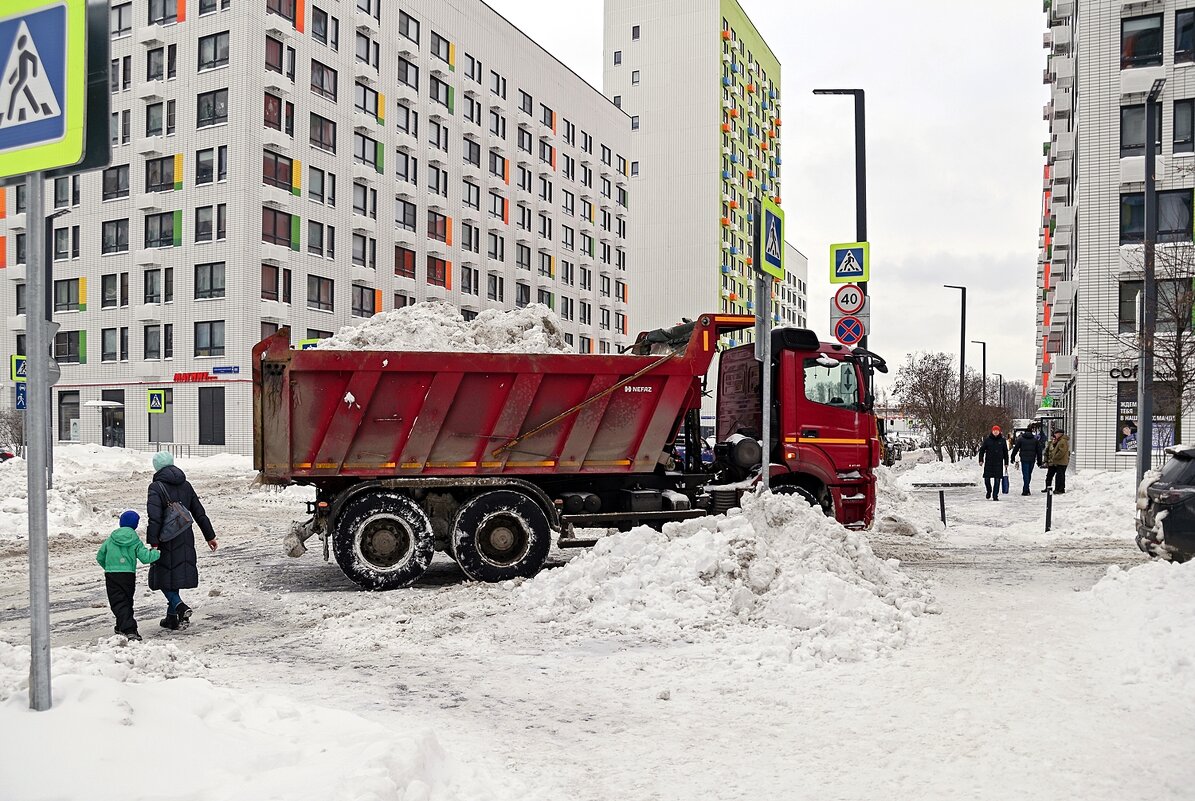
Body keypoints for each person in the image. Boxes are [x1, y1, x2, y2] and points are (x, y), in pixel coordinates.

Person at [147, 452, 218, 631]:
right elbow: (199, 512)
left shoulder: (156, 487)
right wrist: (210, 536)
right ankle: (172, 618)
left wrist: (153, 541)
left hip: (166, 538)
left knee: (162, 576)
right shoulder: (186, 485)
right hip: (185, 535)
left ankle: (179, 606)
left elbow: (154, 517)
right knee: (174, 575)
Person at [95, 510, 160, 641]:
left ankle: (126, 627)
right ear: (135, 525)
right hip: (128, 575)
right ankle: (128, 628)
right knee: (126, 601)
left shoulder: (111, 539)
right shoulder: (134, 540)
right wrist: (156, 553)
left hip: (112, 574)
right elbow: (145, 557)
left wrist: (109, 567)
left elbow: (100, 556)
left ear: (120, 523)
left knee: (118, 601)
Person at [977, 425, 1009, 501]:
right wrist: (981, 460)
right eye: (994, 430)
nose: (995, 432)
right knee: (986, 479)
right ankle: (989, 491)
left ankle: (995, 495)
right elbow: (982, 450)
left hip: (998, 463)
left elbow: (1005, 452)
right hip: (989, 463)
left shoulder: (1002, 440)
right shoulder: (988, 440)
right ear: (992, 431)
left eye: (997, 430)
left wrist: (1006, 462)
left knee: (997, 480)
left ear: (999, 431)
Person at [1010, 428, 1045, 496]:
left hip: (1024, 459)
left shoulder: (1021, 440)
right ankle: (1026, 489)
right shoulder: (1035, 440)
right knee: (1029, 474)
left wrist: (1012, 457)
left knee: (1025, 474)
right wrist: (1039, 461)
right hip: (1032, 459)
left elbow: (1016, 449)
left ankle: (1025, 490)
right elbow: (1039, 451)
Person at [1043, 430, 1070, 494]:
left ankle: (1060, 489)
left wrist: (1055, 457)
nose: (1055, 435)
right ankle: (1058, 489)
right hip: (1059, 462)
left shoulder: (1062, 441)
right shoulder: (1060, 441)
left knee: (1060, 476)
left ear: (1060, 434)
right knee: (1058, 476)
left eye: (1056, 434)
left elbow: (1061, 451)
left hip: (1061, 462)